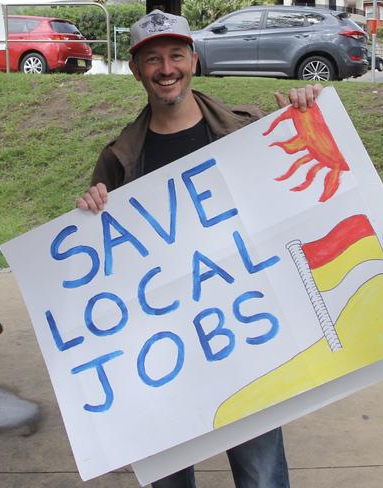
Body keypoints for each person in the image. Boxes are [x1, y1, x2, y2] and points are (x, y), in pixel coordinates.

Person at [76, 9, 323, 488]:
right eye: (152, 59)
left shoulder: (249, 130)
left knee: (261, 476)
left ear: (193, 59)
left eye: (175, 55)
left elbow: (304, 197)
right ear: (136, 69)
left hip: (246, 343)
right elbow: (105, 267)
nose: (165, 69)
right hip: (166, 359)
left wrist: (309, 117)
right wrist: (91, 209)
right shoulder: (119, 160)